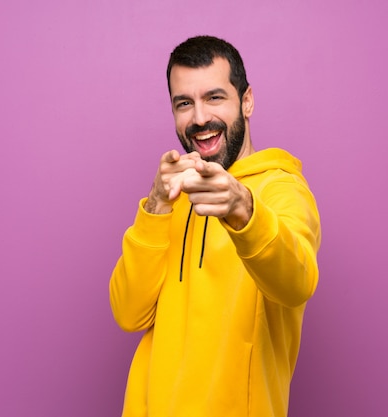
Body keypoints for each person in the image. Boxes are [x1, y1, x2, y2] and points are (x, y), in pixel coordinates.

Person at [109, 35, 321, 417]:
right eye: (184, 103)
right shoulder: (174, 195)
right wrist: (156, 205)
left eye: (215, 97)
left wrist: (244, 211)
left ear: (247, 100)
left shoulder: (282, 189)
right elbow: (128, 313)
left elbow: (297, 282)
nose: (200, 118)